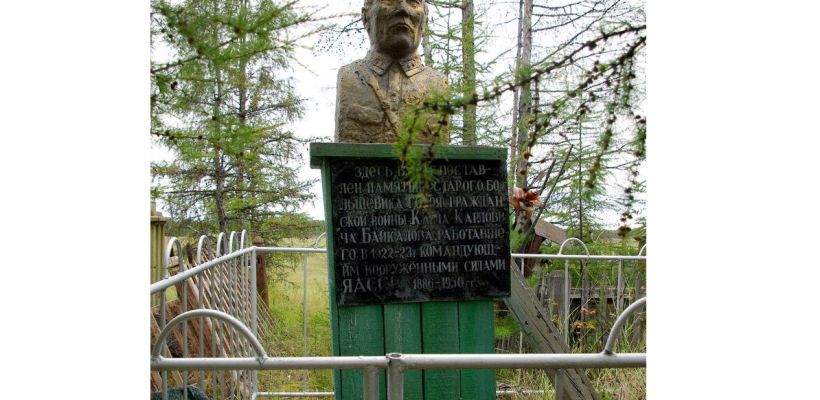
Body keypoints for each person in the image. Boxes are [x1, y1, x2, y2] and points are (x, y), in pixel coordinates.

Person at [335, 0, 449, 144]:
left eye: (414, 2)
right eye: (389, 1)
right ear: (365, 17)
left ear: (424, 19)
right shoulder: (350, 77)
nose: (403, 9)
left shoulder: (438, 84)